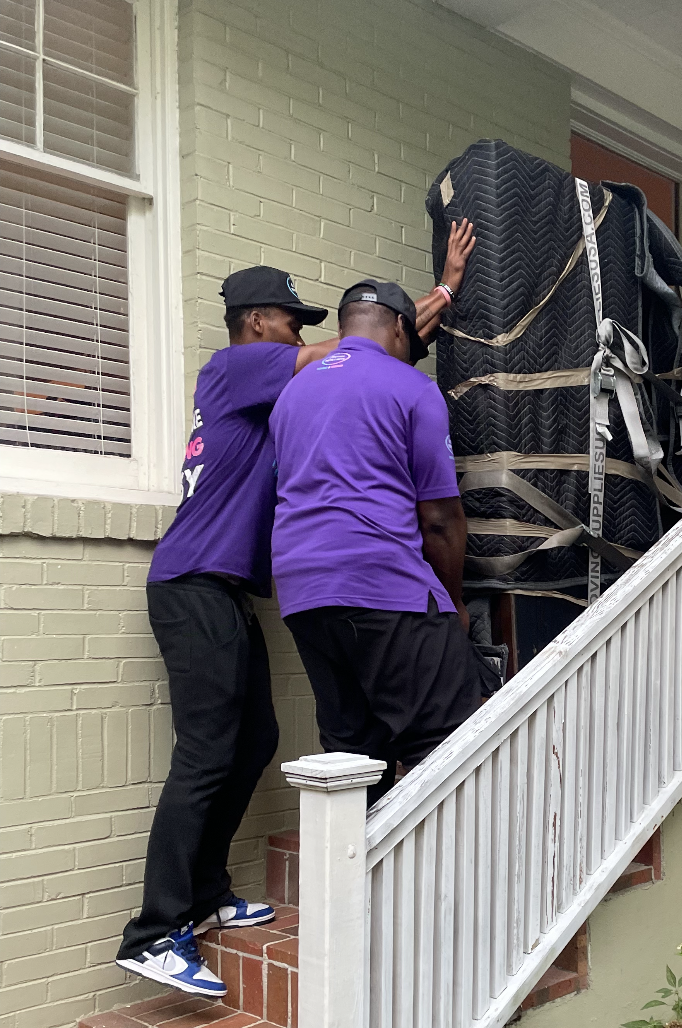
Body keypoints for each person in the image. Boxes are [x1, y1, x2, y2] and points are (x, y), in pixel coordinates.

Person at [115, 266, 334, 996]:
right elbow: (336, 355)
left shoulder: (258, 395)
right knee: (206, 753)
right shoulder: (236, 365)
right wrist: (381, 330)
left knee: (256, 739)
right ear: (256, 320)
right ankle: (152, 933)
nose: (298, 331)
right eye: (290, 319)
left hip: (224, 592)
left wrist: (435, 307)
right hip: (192, 585)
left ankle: (206, 895)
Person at [270, 275, 484, 808]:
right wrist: (452, 602)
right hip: (384, 586)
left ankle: (362, 889)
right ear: (396, 328)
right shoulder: (410, 386)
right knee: (449, 747)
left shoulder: (291, 393)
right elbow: (438, 518)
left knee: (352, 758)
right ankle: (447, 890)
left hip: (304, 595)